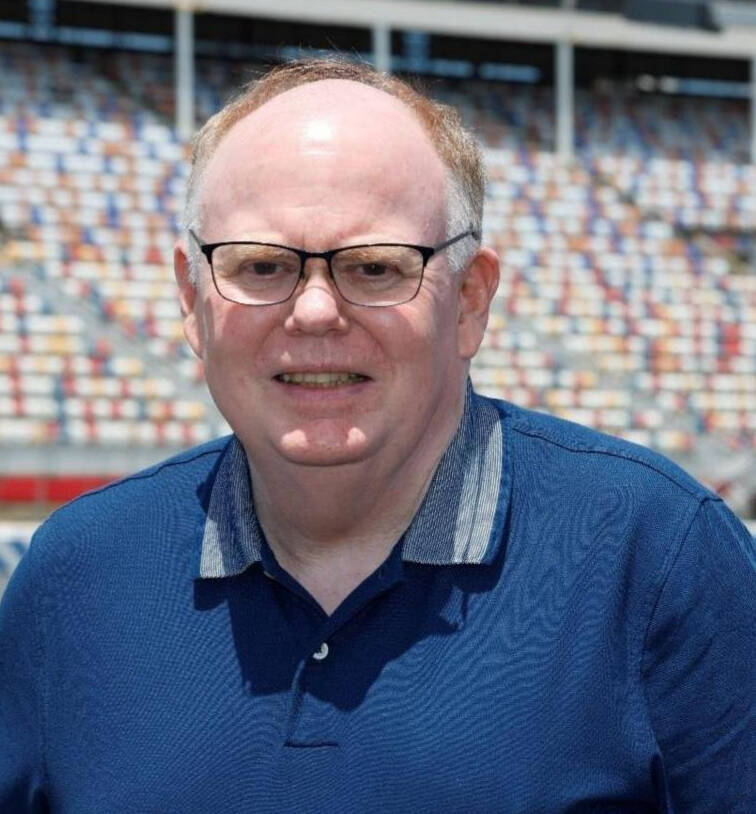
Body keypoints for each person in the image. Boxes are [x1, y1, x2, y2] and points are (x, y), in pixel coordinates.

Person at [0, 58, 753, 814]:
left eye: (374, 268)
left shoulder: (660, 559)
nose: (314, 312)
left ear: (470, 301)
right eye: (261, 266)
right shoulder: (75, 576)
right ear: (192, 302)